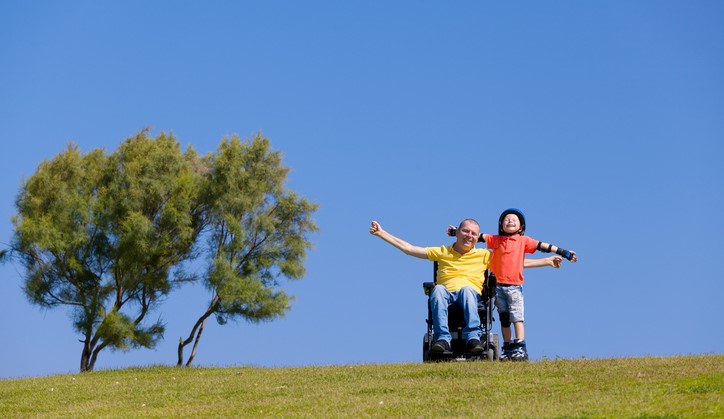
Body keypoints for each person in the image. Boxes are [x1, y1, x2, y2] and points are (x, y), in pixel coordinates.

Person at [370, 218, 562, 355]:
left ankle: (473, 338)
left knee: (468, 290)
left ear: (477, 237)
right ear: (458, 232)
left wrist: (546, 260)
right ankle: (442, 338)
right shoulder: (442, 251)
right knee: (437, 289)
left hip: (471, 297)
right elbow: (409, 249)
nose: (469, 236)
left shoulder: (484, 255)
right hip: (446, 296)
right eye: (465, 231)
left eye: (473, 233)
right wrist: (381, 233)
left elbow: (514, 262)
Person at [448, 208, 577, 361]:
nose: (510, 221)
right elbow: (477, 236)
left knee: (517, 317)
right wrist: (456, 231)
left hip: (514, 286)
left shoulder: (524, 241)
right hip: (497, 287)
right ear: (500, 224)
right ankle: (508, 347)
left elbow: (543, 246)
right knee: (504, 318)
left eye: (514, 220)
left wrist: (564, 252)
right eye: (507, 219)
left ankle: (520, 346)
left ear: (521, 227)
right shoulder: (496, 240)